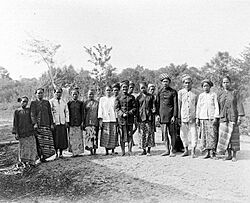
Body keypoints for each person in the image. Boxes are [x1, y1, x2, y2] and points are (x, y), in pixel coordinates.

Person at [216, 76, 245, 162]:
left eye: (227, 82)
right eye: (224, 82)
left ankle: (234, 155)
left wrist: (239, 116)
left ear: (230, 83)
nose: (225, 84)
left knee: (234, 137)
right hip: (223, 118)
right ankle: (228, 154)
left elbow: (239, 104)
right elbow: (217, 106)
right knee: (224, 136)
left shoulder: (235, 92)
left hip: (233, 118)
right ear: (222, 84)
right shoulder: (219, 94)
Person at [196, 79, 219, 159]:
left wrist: (216, 117)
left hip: (211, 118)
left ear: (210, 86)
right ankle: (206, 152)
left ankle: (213, 152)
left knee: (212, 135)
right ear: (202, 87)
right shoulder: (201, 96)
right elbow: (198, 107)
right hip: (203, 118)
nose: (206, 87)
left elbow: (216, 106)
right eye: (204, 86)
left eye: (207, 86)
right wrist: (197, 118)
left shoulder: (213, 95)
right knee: (204, 136)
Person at [30, 88, 55, 162]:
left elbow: (50, 113)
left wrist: (51, 123)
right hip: (38, 125)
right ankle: (40, 157)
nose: (40, 94)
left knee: (47, 142)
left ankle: (45, 157)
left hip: (46, 124)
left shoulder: (46, 102)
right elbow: (32, 114)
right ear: (36, 94)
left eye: (41, 93)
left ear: (43, 94)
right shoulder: (33, 103)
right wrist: (34, 123)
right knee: (40, 143)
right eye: (38, 93)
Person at [156, 73, 178, 157]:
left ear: (169, 82)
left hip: (171, 115)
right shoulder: (159, 92)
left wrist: (174, 116)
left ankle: (172, 150)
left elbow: (175, 104)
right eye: (164, 81)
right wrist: (157, 115)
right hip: (162, 116)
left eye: (167, 81)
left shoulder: (173, 92)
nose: (165, 83)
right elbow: (157, 104)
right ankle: (167, 150)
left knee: (172, 134)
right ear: (161, 82)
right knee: (164, 134)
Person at [12, 96, 37, 168]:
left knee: (31, 146)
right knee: (23, 147)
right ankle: (24, 162)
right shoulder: (17, 111)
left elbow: (33, 118)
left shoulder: (30, 110)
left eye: (26, 101)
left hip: (30, 131)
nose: (24, 103)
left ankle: (32, 162)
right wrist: (16, 133)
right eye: (23, 101)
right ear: (20, 102)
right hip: (22, 132)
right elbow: (15, 123)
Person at [115, 80, 137, 156]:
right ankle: (123, 151)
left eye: (126, 87)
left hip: (129, 119)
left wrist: (128, 113)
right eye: (123, 87)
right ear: (121, 88)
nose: (125, 88)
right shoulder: (118, 97)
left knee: (130, 135)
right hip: (121, 120)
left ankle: (130, 150)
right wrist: (122, 114)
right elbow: (117, 108)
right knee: (121, 135)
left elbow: (134, 108)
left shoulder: (132, 97)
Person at [178, 74, 198, 158]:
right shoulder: (180, 92)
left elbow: (197, 106)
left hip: (193, 117)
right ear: (183, 83)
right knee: (183, 134)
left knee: (194, 135)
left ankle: (193, 150)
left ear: (191, 83)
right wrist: (179, 117)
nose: (187, 84)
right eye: (186, 83)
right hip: (183, 117)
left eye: (189, 82)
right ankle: (186, 150)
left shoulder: (196, 93)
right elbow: (179, 105)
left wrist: (197, 117)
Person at [50, 87, 69, 159]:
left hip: (62, 122)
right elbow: (51, 113)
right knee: (55, 138)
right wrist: (53, 122)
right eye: (57, 92)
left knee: (62, 138)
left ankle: (61, 153)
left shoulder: (63, 101)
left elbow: (66, 111)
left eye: (60, 92)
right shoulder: (51, 101)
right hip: (56, 123)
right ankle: (56, 153)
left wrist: (67, 121)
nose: (58, 94)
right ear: (54, 93)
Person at [136, 82, 155, 156]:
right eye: (141, 88)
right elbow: (137, 108)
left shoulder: (150, 96)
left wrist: (153, 111)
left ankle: (148, 150)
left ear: (146, 87)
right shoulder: (138, 97)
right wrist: (137, 117)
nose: (143, 89)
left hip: (149, 117)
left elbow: (153, 106)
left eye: (144, 87)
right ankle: (143, 150)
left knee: (149, 133)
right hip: (141, 117)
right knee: (142, 134)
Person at [98, 85, 118, 155]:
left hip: (113, 119)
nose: (108, 91)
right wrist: (100, 120)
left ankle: (112, 150)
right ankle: (106, 151)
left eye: (110, 90)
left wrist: (117, 118)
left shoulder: (114, 99)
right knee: (105, 135)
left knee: (113, 134)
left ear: (111, 91)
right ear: (105, 91)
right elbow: (100, 110)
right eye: (107, 90)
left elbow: (116, 109)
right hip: (105, 119)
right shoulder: (102, 99)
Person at [67, 89, 84, 157]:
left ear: (78, 95)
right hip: (71, 123)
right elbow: (67, 113)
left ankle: (79, 152)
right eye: (73, 94)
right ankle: (73, 152)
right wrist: (68, 122)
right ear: (71, 95)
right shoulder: (69, 103)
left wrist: (82, 121)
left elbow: (82, 113)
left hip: (78, 122)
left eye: (76, 94)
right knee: (72, 138)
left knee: (78, 137)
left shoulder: (80, 103)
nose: (75, 95)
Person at [84, 89, 99, 155]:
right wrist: (83, 122)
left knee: (95, 136)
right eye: (90, 94)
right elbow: (83, 113)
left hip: (95, 121)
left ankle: (95, 150)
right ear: (87, 95)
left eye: (92, 94)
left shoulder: (97, 103)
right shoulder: (85, 103)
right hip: (88, 122)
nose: (91, 95)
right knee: (89, 137)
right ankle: (90, 151)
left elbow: (99, 112)